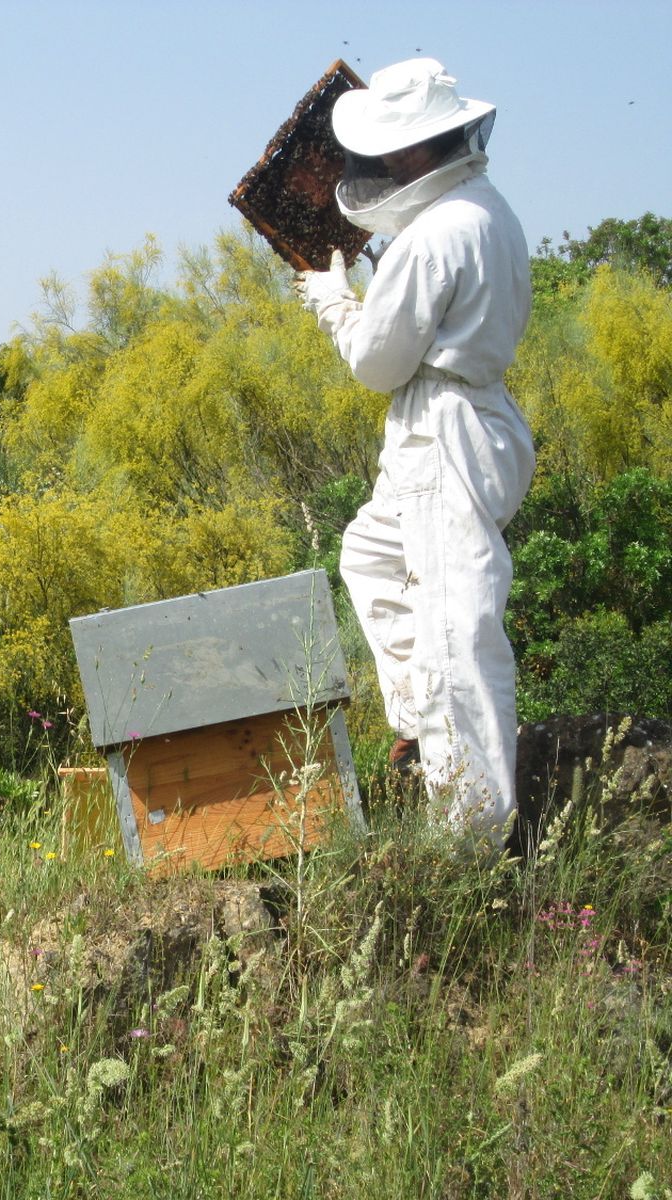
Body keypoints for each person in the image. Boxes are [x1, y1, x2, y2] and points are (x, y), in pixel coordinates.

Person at [295, 58, 534, 845]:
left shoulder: (434, 235)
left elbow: (376, 363)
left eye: (394, 151)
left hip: (444, 431)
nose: (384, 165)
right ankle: (423, 729)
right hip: (467, 415)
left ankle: (472, 838)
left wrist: (336, 306)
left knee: (456, 626)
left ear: (422, 147)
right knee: (369, 553)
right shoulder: (484, 209)